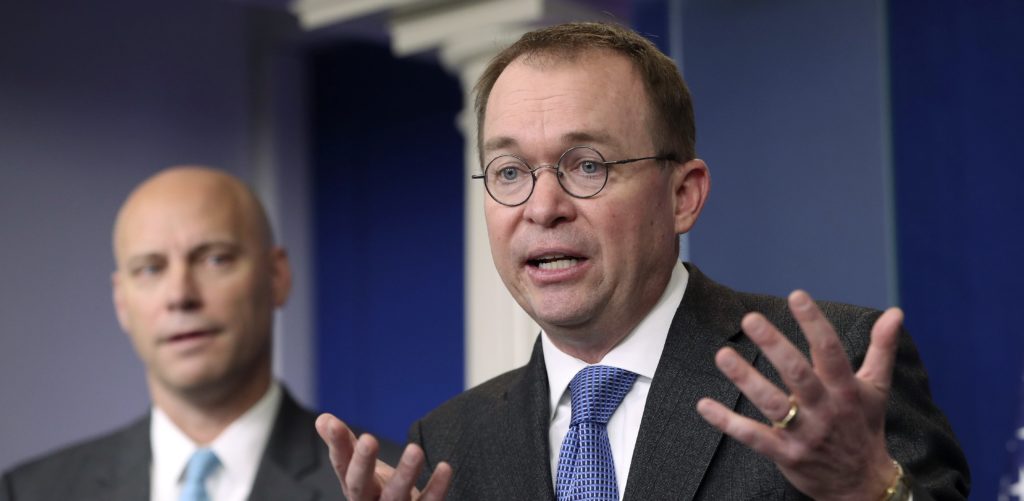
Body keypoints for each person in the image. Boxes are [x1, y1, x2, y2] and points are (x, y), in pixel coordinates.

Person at [316, 22, 970, 500]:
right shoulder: (448, 442)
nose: (542, 207)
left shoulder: (833, 372)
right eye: (509, 171)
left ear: (683, 196)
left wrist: (869, 489)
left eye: (588, 165)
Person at [0, 167, 399, 501]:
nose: (180, 296)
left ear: (277, 276)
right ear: (122, 302)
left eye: (214, 259)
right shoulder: (30, 492)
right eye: (150, 268)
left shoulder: (391, 486)